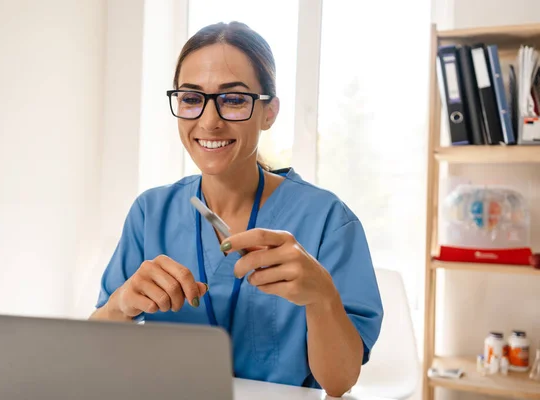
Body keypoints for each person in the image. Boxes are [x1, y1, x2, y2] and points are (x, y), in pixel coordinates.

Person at [90, 21, 383, 397]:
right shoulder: (152, 212)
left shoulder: (328, 220)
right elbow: (96, 347)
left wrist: (321, 297)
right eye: (191, 98)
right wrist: (120, 305)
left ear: (269, 112)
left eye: (233, 100)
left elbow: (339, 382)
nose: (209, 122)